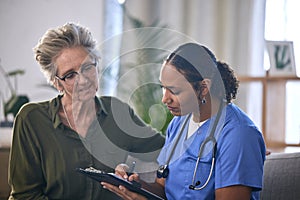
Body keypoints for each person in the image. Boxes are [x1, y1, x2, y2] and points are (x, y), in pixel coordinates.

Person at [8, 22, 165, 200]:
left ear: (97, 66)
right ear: (58, 83)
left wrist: (132, 174)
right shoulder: (32, 119)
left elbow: (167, 150)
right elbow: (25, 196)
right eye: (70, 75)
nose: (83, 80)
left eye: (87, 67)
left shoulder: (117, 112)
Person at [101, 43, 266, 200]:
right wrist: (134, 184)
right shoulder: (178, 124)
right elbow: (163, 189)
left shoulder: (239, 135)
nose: (165, 99)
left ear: (203, 88)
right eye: (163, 88)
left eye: (174, 91)